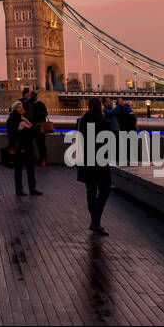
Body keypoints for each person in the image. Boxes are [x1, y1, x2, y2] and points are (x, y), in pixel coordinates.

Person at [76, 97, 112, 235]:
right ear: (100, 107)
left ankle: (95, 221)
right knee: (105, 190)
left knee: (90, 191)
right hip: (100, 162)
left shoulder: (80, 121)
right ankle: (95, 221)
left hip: (85, 161)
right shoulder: (103, 122)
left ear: (88, 106)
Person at [6, 100, 40, 196]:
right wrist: (18, 129)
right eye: (19, 107)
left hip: (29, 147)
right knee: (18, 170)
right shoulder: (11, 120)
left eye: (21, 107)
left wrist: (37, 127)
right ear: (14, 109)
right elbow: (10, 136)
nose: (21, 109)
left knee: (31, 169)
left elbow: (31, 130)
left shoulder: (25, 118)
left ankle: (32, 189)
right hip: (19, 148)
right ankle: (19, 189)